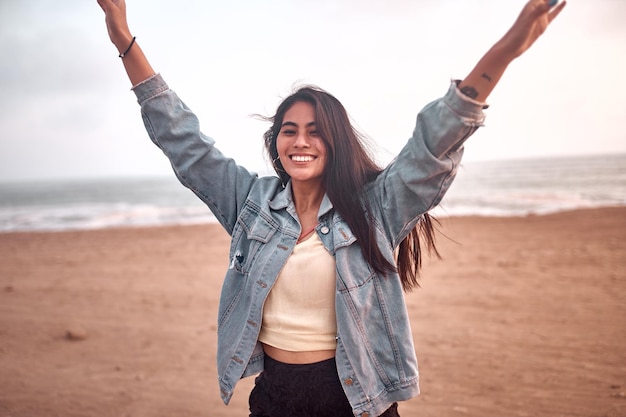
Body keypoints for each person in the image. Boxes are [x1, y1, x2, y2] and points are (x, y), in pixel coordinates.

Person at [96, 1, 566, 416]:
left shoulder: (375, 206)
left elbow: (433, 144)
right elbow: (183, 141)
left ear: (335, 141)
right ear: (275, 141)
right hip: (274, 397)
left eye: (316, 130)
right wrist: (123, 38)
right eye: (289, 129)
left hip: (356, 398)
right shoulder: (250, 204)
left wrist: (505, 49)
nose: (301, 141)